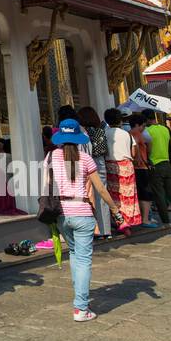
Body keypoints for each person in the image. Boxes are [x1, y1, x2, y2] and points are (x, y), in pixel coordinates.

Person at [46, 119, 122, 321]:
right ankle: (80, 307)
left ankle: (79, 296)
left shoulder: (52, 156)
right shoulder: (86, 159)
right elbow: (101, 189)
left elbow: (48, 185)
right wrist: (115, 210)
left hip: (62, 213)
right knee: (83, 260)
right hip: (82, 212)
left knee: (74, 254)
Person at [102, 108, 140, 234]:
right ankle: (128, 221)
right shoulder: (126, 134)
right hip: (126, 165)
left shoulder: (104, 133)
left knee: (113, 195)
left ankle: (118, 221)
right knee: (127, 196)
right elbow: (134, 152)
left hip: (110, 165)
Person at [145, 115, 171, 231]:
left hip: (154, 164)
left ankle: (166, 222)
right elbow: (170, 146)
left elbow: (148, 148)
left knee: (159, 195)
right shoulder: (165, 129)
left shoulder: (147, 131)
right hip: (166, 163)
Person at [77, 106, 112, 237]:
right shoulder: (101, 130)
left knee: (90, 197)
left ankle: (95, 229)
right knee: (102, 196)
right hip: (101, 163)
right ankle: (106, 230)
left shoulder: (85, 132)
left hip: (90, 164)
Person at [128, 114, 156, 228]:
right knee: (146, 194)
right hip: (141, 167)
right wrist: (140, 157)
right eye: (143, 126)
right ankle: (145, 219)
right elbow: (138, 149)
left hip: (134, 167)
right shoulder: (137, 134)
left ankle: (142, 217)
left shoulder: (128, 133)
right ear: (137, 125)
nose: (144, 128)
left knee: (139, 193)